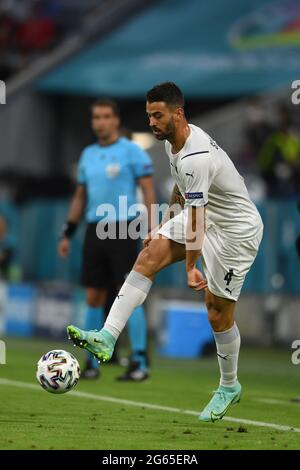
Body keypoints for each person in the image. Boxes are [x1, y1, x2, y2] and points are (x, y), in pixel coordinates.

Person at [67, 82, 263, 422]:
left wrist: (190, 266)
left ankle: (229, 385)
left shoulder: (196, 156)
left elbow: (198, 219)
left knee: (218, 312)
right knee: (148, 256)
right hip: (204, 216)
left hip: (236, 231)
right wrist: (163, 226)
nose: (152, 123)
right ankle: (107, 337)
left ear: (178, 113)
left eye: (158, 116)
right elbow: (180, 189)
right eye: (149, 116)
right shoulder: (176, 144)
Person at [59, 98, 155, 381]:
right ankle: (92, 362)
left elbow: (148, 191)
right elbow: (80, 196)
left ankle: (139, 361)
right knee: (93, 296)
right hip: (94, 229)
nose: (100, 122)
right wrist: (68, 232)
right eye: (96, 117)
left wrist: (153, 228)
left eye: (105, 117)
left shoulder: (132, 152)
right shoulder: (88, 154)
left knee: (129, 295)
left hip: (123, 228)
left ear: (115, 120)